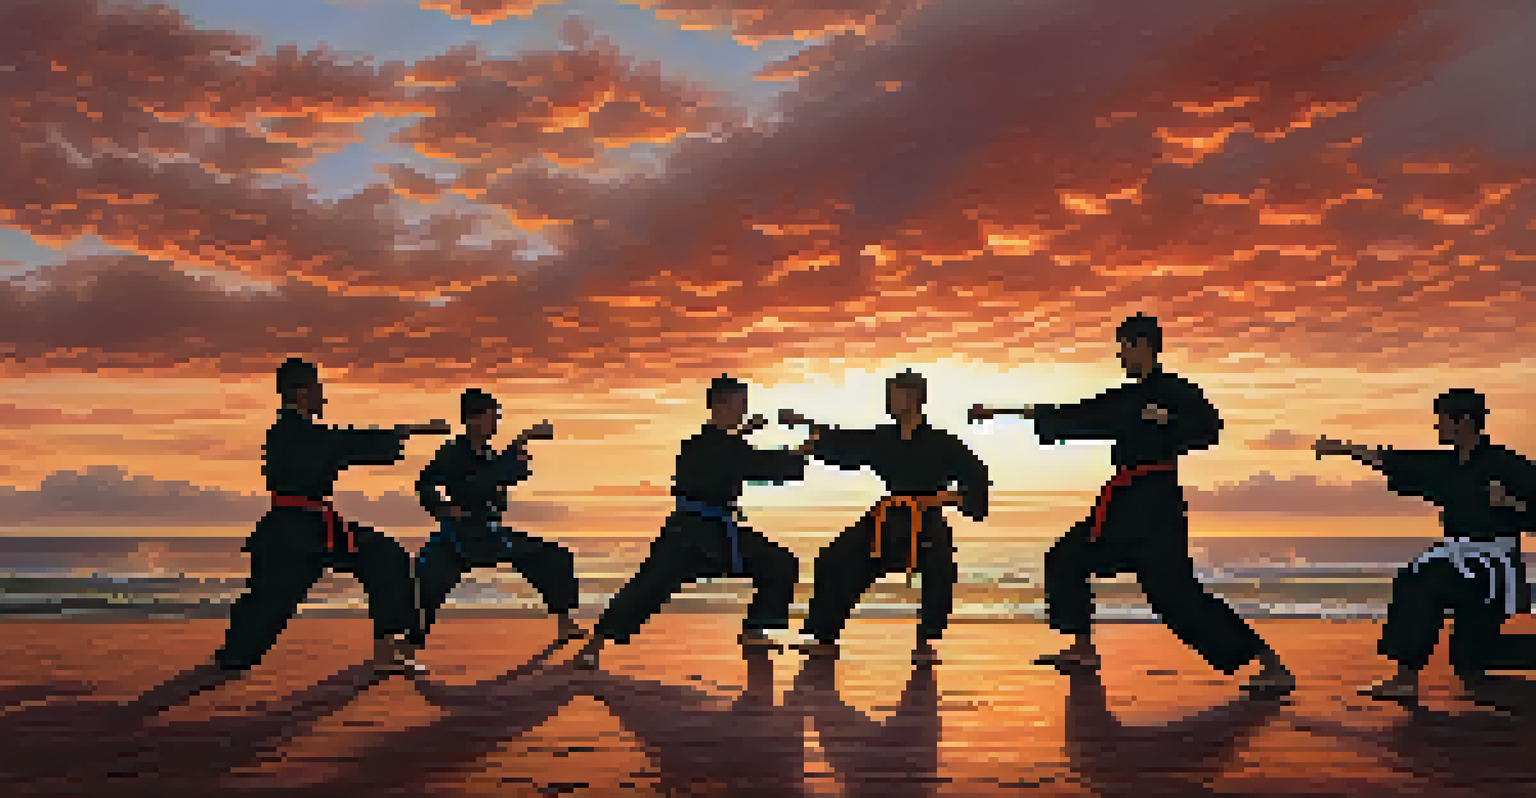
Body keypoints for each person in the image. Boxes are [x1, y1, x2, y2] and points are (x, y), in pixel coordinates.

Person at [971, 313, 1292, 695]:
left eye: (1124, 347)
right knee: (1066, 557)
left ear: (1143, 346)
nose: (1121, 356)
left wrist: (1168, 419)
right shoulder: (1124, 399)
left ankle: (1269, 663)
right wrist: (998, 413)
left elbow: (1209, 428)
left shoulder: (1177, 391)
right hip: (1123, 505)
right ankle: (1082, 648)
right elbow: (1076, 414)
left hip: (1157, 507)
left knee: (1175, 596)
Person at [213, 358, 450, 675]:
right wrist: (405, 432)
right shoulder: (290, 433)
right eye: (316, 389)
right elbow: (342, 442)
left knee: (384, 555)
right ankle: (232, 657)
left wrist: (398, 435)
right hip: (292, 532)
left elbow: (341, 442)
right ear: (300, 393)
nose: (322, 396)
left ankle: (389, 647)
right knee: (269, 600)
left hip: (314, 527)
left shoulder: (303, 432)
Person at [1315, 389, 1536, 702]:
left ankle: (1405, 677)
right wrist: (1343, 449)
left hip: (1491, 573)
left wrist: (1513, 504)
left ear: (1465, 422)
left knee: (1419, 581)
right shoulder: (1447, 465)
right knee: (1471, 659)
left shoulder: (1508, 465)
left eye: (1443, 421)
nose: (1438, 428)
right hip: (1463, 564)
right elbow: (1394, 461)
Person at [573, 376, 806, 669]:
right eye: (740, 404)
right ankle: (593, 645)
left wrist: (745, 435)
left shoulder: (714, 443)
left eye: (745, 405)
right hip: (690, 535)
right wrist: (799, 454)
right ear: (719, 406)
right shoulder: (711, 446)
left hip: (712, 532)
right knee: (646, 588)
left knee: (779, 562)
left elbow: (735, 455)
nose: (744, 411)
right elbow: (755, 463)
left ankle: (754, 629)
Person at [782, 370, 990, 666]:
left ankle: (926, 641)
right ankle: (823, 636)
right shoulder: (883, 438)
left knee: (940, 569)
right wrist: (807, 431)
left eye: (895, 394)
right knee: (834, 558)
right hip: (888, 518)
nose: (890, 401)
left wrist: (952, 497)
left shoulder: (943, 443)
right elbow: (848, 441)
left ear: (914, 398)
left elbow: (977, 477)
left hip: (925, 519)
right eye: (889, 394)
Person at [411, 389, 583, 657]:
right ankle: (411, 640)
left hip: (489, 531)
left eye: (496, 417)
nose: (495, 423)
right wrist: (443, 508)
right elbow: (425, 483)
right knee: (427, 579)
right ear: (473, 419)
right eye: (492, 417)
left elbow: (504, 475)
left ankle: (564, 623)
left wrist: (518, 452)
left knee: (553, 556)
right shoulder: (452, 452)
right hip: (460, 533)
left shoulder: (490, 453)